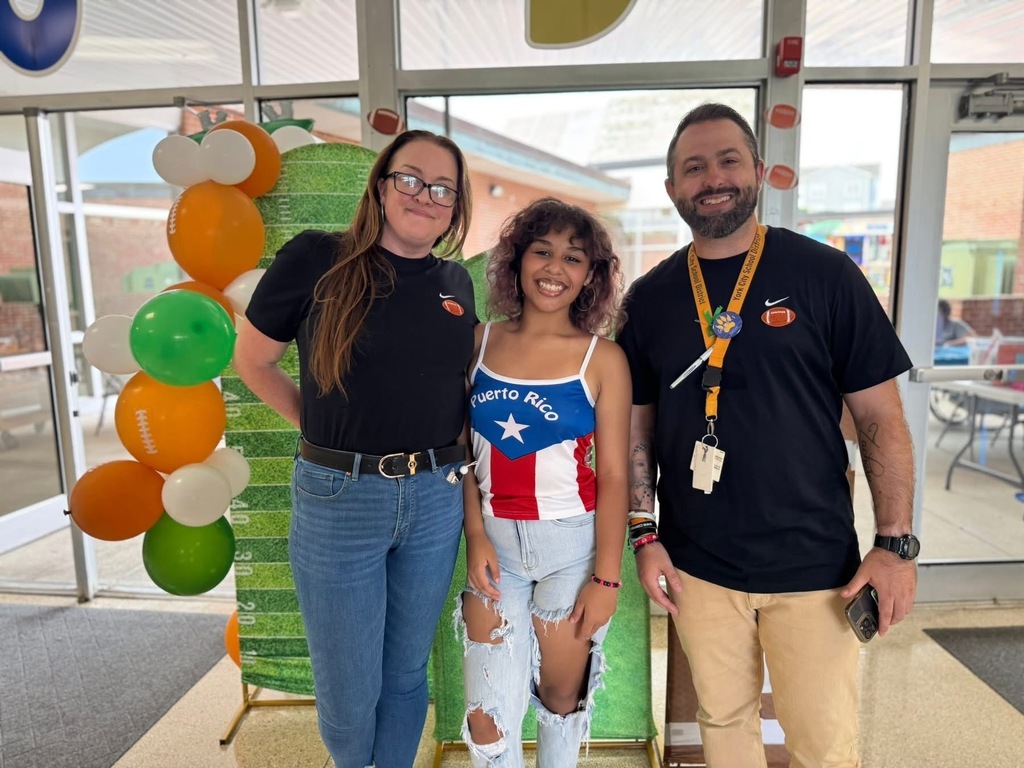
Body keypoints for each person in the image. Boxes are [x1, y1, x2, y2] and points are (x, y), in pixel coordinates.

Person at [617, 103, 918, 768]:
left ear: (759, 171)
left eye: (728, 160)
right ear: (672, 190)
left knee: (822, 739)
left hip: (816, 567)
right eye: (693, 168)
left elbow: (881, 422)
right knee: (723, 725)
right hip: (699, 566)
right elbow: (636, 435)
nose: (712, 177)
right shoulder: (651, 299)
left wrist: (895, 546)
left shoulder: (826, 276)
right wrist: (645, 535)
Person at [233, 129, 475, 768]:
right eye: (411, 178)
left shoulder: (457, 285)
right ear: (382, 184)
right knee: (346, 690)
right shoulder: (317, 257)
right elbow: (253, 361)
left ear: (456, 206)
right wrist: (319, 432)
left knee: (404, 675)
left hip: (435, 499)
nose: (426, 196)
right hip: (339, 500)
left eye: (443, 188)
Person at [459, 198, 631, 768]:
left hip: (571, 550)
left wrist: (607, 578)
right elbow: (463, 452)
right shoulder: (478, 343)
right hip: (495, 550)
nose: (555, 268)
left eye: (573, 257)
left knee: (560, 698)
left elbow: (612, 475)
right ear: (516, 259)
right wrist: (476, 535)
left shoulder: (602, 359)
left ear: (591, 276)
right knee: (487, 719)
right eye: (542, 251)